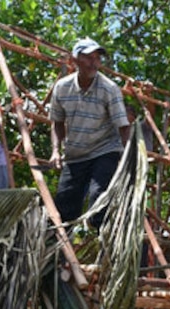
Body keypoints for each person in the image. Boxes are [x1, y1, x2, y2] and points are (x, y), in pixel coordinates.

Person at [49, 38, 130, 228]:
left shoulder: (109, 89)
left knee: (99, 203)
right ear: (74, 60)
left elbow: (123, 127)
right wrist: (55, 150)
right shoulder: (62, 88)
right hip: (75, 155)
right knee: (64, 210)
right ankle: (61, 256)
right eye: (89, 58)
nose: (95, 63)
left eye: (97, 58)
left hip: (104, 150)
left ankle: (107, 250)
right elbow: (57, 122)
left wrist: (128, 158)